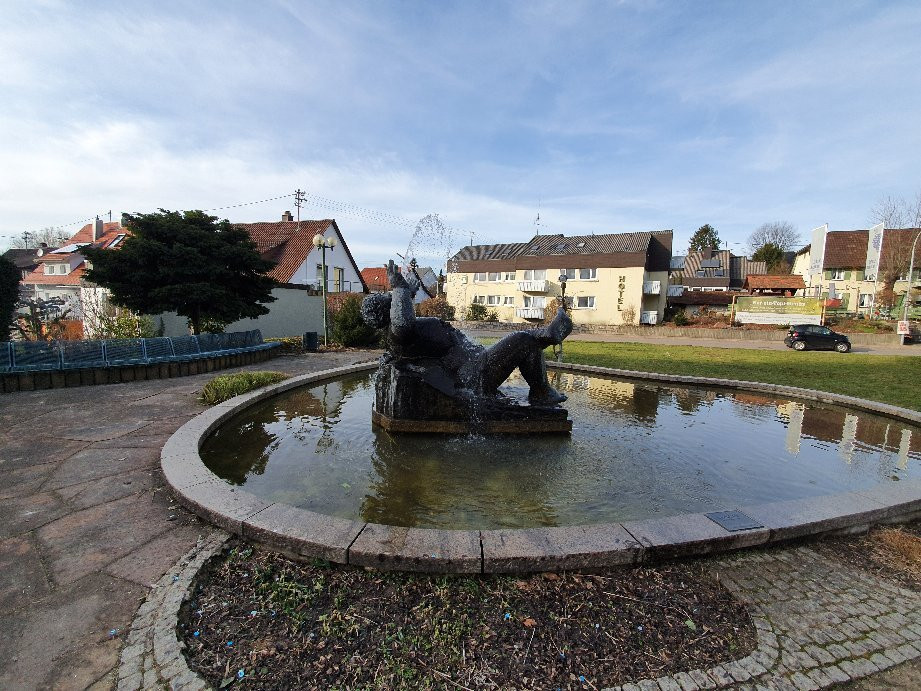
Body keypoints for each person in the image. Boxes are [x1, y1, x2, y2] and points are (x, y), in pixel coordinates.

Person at [361, 260, 573, 405]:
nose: (393, 300)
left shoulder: (399, 331)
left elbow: (405, 316)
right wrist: (400, 288)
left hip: (474, 363)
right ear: (386, 312)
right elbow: (403, 322)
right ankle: (545, 353)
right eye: (388, 301)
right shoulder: (397, 333)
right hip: (472, 377)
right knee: (521, 340)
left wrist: (409, 291)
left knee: (522, 341)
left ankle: (543, 375)